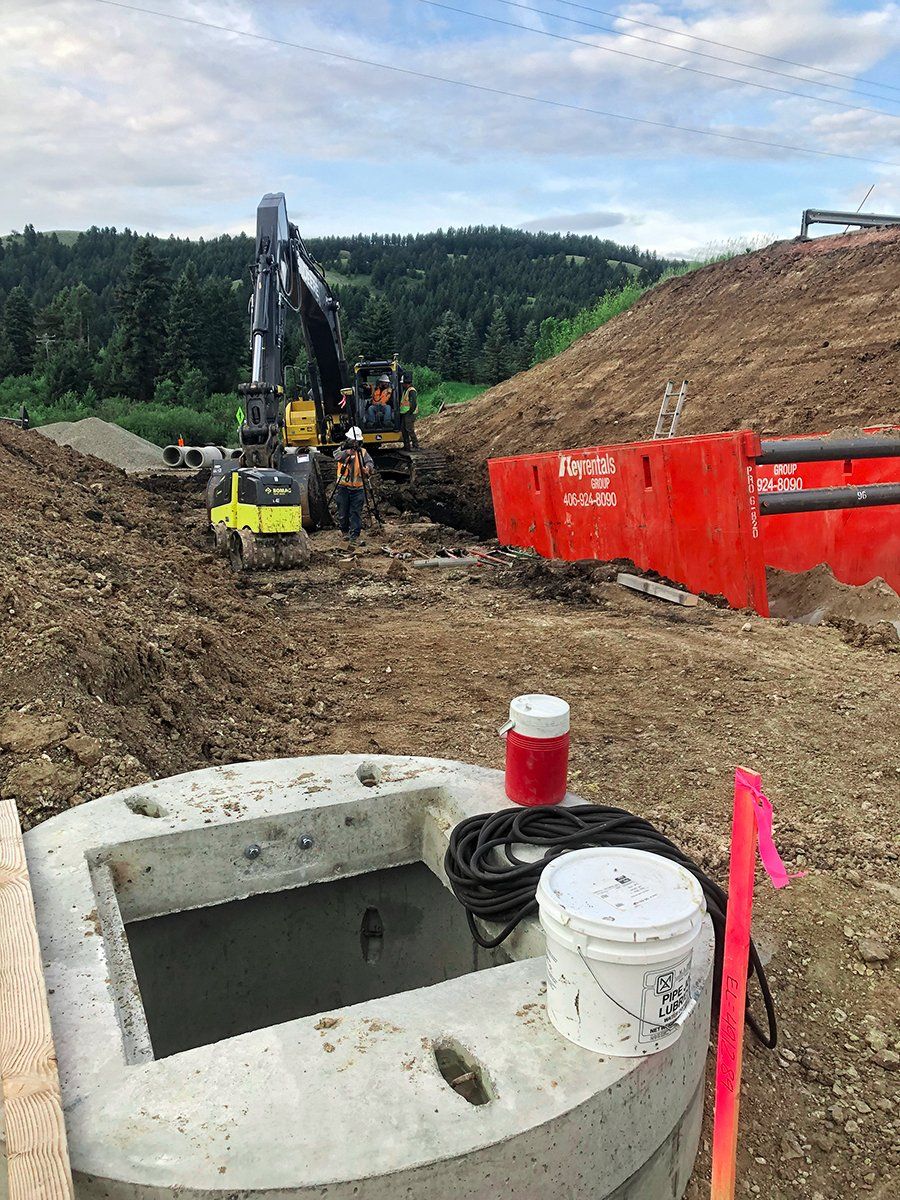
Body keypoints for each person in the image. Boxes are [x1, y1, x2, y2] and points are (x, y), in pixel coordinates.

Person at [333, 427, 374, 544]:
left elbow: (370, 462)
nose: (354, 443)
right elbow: (337, 457)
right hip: (343, 487)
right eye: (352, 441)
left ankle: (354, 535)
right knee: (343, 511)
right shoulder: (342, 449)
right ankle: (344, 531)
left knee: (355, 512)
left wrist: (368, 468)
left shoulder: (363, 452)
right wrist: (347, 452)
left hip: (358, 488)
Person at [400, 384, 419, 450]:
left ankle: (415, 445)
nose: (402, 385)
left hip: (410, 413)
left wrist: (410, 412)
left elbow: (413, 403)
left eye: (403, 383)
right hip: (405, 413)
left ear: (406, 383)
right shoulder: (406, 390)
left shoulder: (411, 390)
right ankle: (406, 446)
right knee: (403, 429)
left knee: (409, 429)